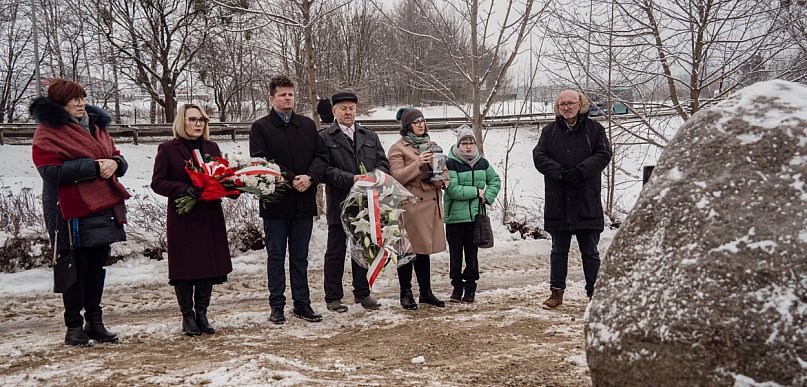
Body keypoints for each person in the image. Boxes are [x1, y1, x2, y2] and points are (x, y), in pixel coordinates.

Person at [30, 79, 129, 346]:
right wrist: (94, 167)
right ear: (60, 102)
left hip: (102, 206)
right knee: (74, 267)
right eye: (74, 99)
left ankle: (95, 322)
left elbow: (118, 157)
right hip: (69, 210)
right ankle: (73, 326)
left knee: (97, 266)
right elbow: (49, 172)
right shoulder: (48, 132)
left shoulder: (97, 127)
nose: (80, 103)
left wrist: (114, 163)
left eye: (83, 97)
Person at [249, 75, 328, 324]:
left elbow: (321, 156)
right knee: (276, 257)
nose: (288, 99)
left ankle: (302, 304)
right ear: (272, 98)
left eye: (291, 94)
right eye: (283, 95)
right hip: (276, 203)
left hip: (303, 202)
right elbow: (261, 161)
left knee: (299, 257)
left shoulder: (306, 125)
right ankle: (277, 305)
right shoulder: (261, 128)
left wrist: (310, 177)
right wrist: (292, 177)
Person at [151, 104, 233, 336]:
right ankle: (187, 315)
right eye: (193, 119)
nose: (198, 124)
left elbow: (220, 174)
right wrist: (185, 189)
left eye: (202, 120)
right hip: (183, 216)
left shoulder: (211, 146)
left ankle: (202, 314)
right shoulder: (168, 149)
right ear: (182, 122)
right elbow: (157, 183)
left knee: (208, 264)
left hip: (209, 213)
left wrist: (228, 186)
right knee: (186, 266)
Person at [532, 89, 613, 309]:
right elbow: (539, 156)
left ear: (580, 104)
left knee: (590, 251)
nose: (566, 107)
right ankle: (556, 293)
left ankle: (595, 294)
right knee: (558, 251)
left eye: (570, 103)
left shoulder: (594, 129)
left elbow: (604, 154)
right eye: (562, 104)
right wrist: (559, 172)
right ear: (557, 107)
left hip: (586, 199)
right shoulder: (550, 131)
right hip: (558, 199)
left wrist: (580, 171)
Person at [319, 92, 390, 313]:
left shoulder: (369, 136)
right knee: (336, 251)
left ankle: (362, 292)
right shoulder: (325, 137)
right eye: (343, 108)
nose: (348, 112)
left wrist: (375, 177)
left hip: (365, 203)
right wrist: (350, 179)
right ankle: (333, 296)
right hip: (339, 203)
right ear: (334, 112)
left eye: (351, 108)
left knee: (362, 248)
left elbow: (383, 162)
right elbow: (324, 170)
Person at [388, 108, 448, 310]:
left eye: (423, 121)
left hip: (431, 201)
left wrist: (443, 181)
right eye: (416, 122)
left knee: (424, 250)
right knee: (406, 250)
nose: (421, 124)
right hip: (410, 205)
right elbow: (396, 177)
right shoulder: (398, 148)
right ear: (407, 127)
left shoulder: (432, 145)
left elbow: (445, 172)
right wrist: (418, 163)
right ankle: (405, 293)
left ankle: (426, 292)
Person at [443, 125, 501, 303]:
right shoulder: (450, 163)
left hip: (475, 217)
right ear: (458, 144)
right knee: (455, 254)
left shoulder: (482, 162)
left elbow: (495, 181)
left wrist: (487, 197)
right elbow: (452, 189)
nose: (468, 146)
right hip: (455, 219)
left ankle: (470, 288)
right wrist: (477, 192)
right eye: (464, 142)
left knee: (472, 255)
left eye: (471, 142)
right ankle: (456, 286)